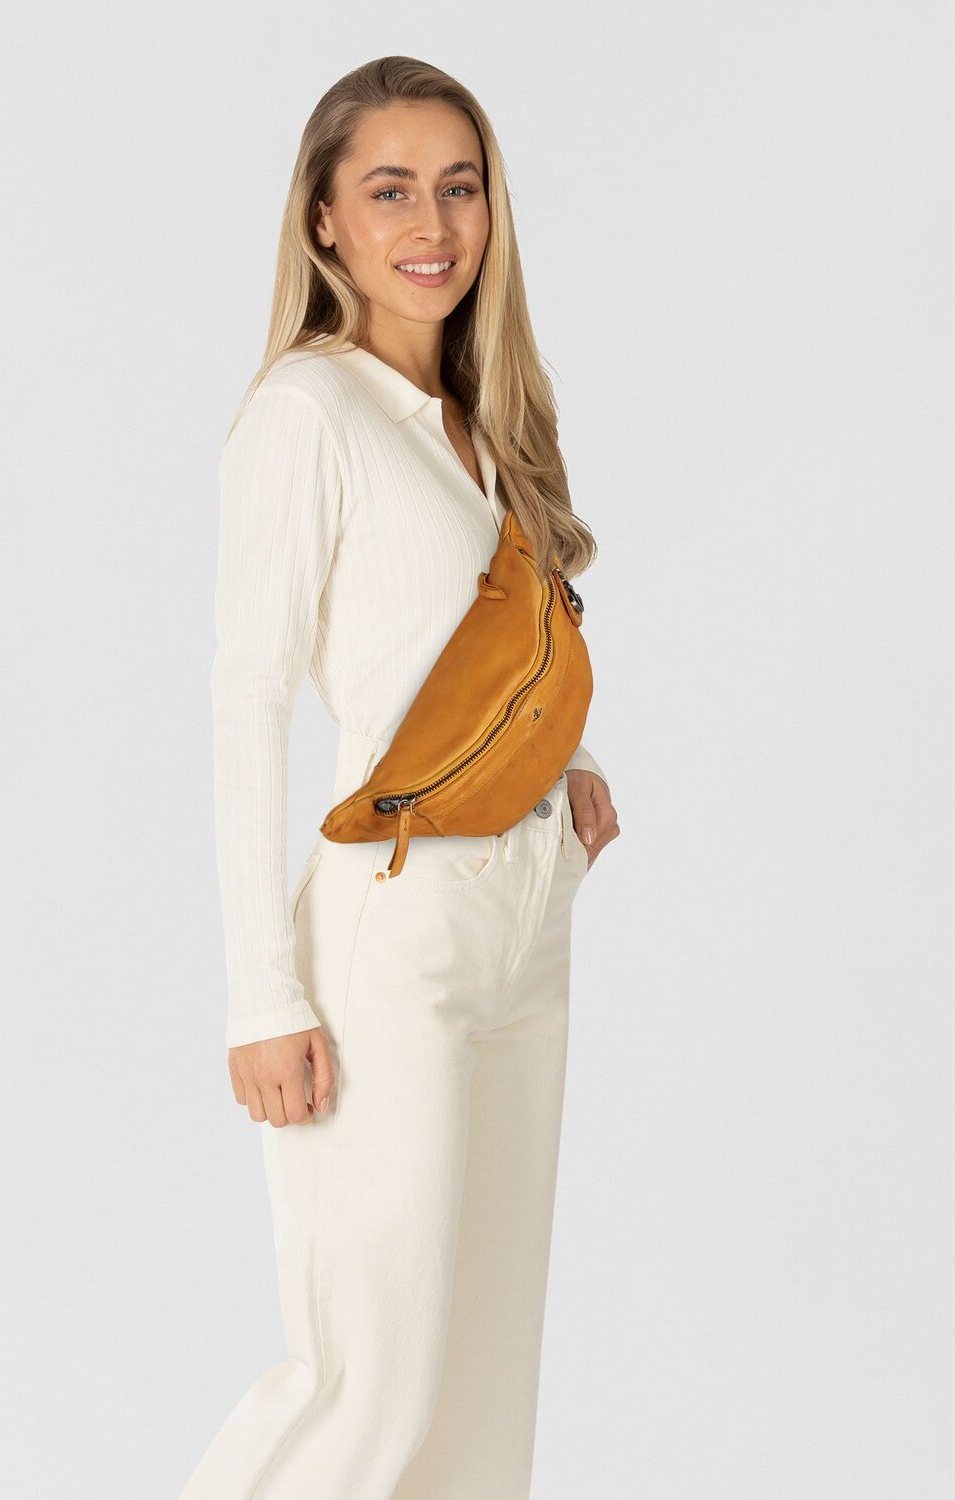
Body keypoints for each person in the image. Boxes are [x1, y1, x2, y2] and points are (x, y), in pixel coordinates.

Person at [181, 54, 621, 1500]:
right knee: (365, 1386)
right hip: (394, 928)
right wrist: (263, 995)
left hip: (524, 923)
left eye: (459, 186)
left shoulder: (483, 423)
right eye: (389, 190)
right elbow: (247, 703)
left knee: (480, 1398)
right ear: (324, 220)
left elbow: (457, 656)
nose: (432, 224)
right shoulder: (309, 412)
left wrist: (571, 767)